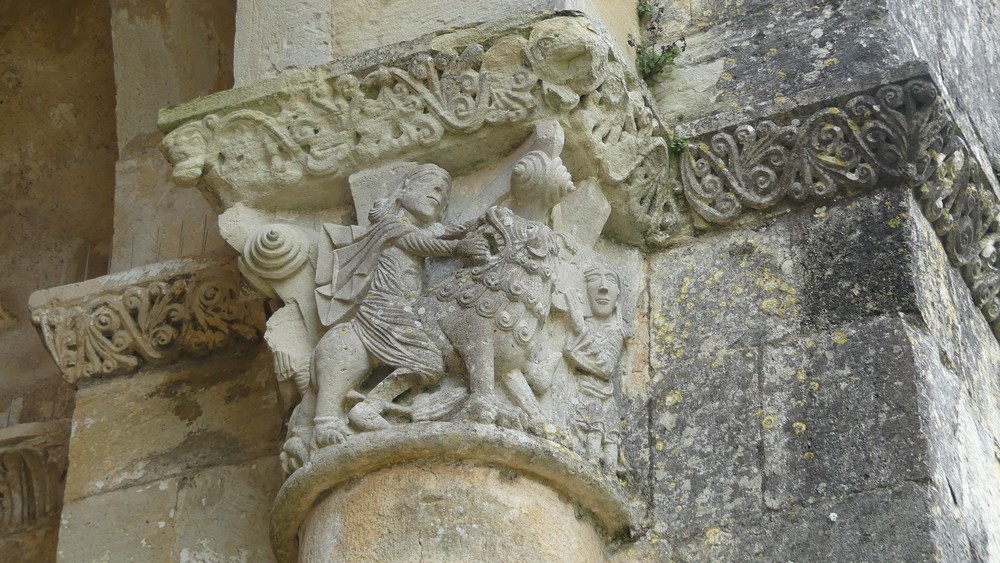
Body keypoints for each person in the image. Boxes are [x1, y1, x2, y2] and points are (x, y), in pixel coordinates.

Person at [563, 264, 627, 471]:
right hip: (582, 397)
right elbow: (568, 351)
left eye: (611, 280)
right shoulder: (582, 325)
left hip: (605, 402)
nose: (603, 287)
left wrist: (579, 327)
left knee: (607, 458)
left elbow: (607, 367)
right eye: (593, 279)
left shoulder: (616, 331)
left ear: (618, 295)